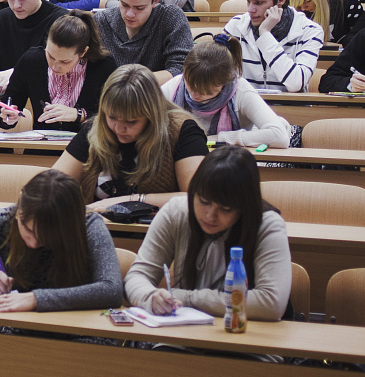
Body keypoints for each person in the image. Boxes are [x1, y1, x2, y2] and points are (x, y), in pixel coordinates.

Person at [124, 146, 291, 321]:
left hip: (245, 333)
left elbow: (271, 303)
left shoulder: (267, 225)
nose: (210, 216)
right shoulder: (176, 212)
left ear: (244, 207)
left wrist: (186, 298)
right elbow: (137, 276)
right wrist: (150, 297)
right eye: (204, 201)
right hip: (185, 331)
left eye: (225, 209)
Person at [0, 169, 124, 312]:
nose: (33, 243)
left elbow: (111, 290)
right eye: (27, 229)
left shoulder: (88, 225)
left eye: (47, 236)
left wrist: (37, 299)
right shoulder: (3, 220)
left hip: (76, 327)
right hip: (16, 322)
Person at [51, 64, 205, 206]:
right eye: (112, 117)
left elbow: (197, 197)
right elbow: (54, 184)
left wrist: (132, 200)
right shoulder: (94, 128)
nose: (119, 128)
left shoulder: (182, 130)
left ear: (152, 116)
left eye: (131, 121)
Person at [0, 12, 117, 135]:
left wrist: (79, 115)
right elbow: (5, 108)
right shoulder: (31, 61)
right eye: (50, 56)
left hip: (87, 145)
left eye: (65, 61)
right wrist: (7, 117)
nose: (55, 66)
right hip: (42, 145)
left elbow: (115, 119)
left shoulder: (104, 66)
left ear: (83, 52)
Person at [164, 38, 290, 148]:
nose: (194, 95)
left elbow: (280, 136)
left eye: (205, 91)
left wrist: (221, 138)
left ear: (225, 82)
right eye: (190, 85)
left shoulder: (241, 90)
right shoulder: (174, 86)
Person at [221, 0, 324, 93]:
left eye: (259, 2)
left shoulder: (310, 30)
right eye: (248, 1)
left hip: (289, 105)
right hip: (245, 104)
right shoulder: (235, 26)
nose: (250, 9)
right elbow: (218, 77)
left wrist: (265, 34)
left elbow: (295, 83)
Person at [94, 0, 193, 77]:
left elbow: (182, 69)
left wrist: (131, 83)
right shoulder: (101, 21)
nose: (130, 14)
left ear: (155, 1)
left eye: (139, 8)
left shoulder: (171, 18)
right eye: (124, 5)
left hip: (157, 89)